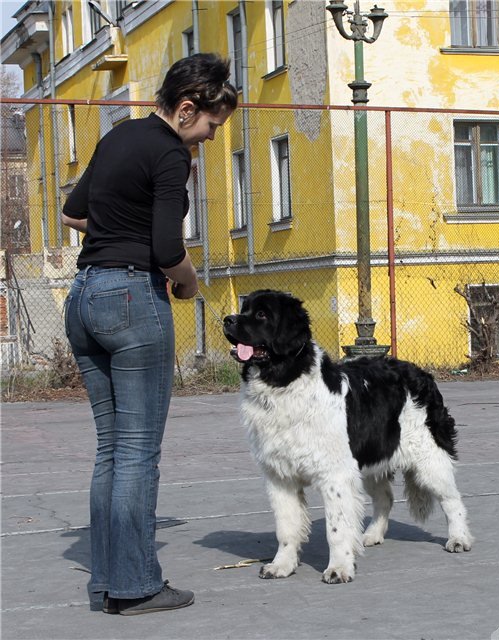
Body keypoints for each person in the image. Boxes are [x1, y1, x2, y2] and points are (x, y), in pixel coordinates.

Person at [62, 53, 238, 616]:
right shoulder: (168, 152)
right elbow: (167, 250)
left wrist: (117, 231)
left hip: (84, 294)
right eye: (210, 126)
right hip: (132, 299)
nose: (209, 139)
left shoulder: (118, 136)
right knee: (138, 452)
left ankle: (106, 584)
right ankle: (136, 586)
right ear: (187, 109)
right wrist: (187, 285)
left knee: (111, 450)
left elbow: (72, 211)